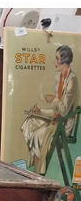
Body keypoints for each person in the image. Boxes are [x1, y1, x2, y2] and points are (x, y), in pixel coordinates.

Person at [21, 45, 79, 175]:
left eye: (57, 58)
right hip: (58, 119)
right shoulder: (62, 78)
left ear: (64, 60)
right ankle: (36, 172)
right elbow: (57, 110)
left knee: (37, 133)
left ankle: (38, 173)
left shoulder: (72, 80)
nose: (55, 61)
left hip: (64, 124)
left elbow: (63, 111)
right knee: (31, 121)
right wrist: (40, 111)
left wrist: (53, 99)